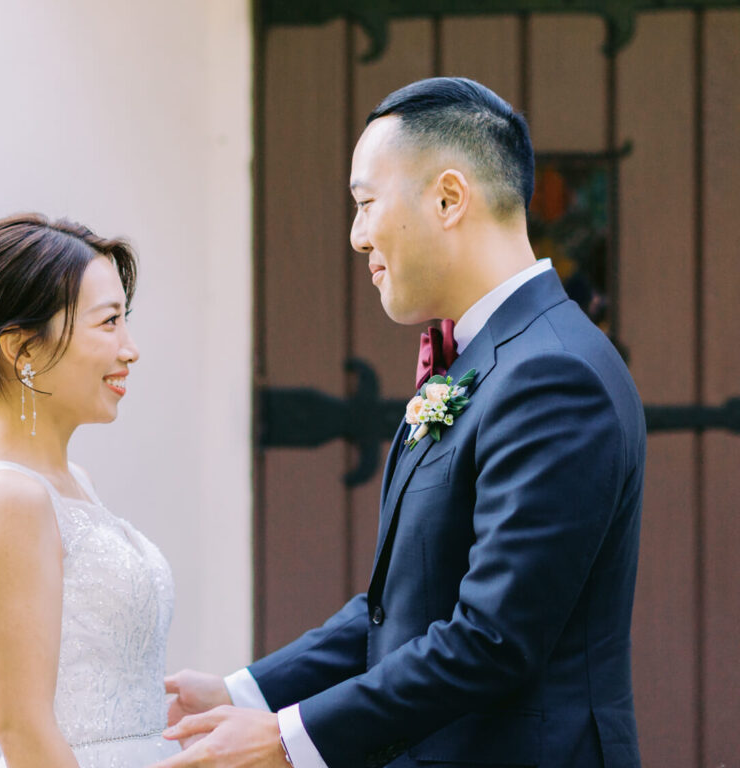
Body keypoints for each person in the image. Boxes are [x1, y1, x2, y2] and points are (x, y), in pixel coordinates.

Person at [157, 78, 645, 768]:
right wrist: (247, 693)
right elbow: (404, 606)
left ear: (448, 198)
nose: (357, 237)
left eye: (364, 203)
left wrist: (287, 740)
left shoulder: (553, 374)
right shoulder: (489, 359)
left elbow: (491, 639)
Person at [0, 214, 180, 767]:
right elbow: (21, 730)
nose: (130, 349)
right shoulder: (11, 499)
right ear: (23, 350)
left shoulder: (70, 483)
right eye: (108, 323)